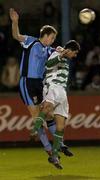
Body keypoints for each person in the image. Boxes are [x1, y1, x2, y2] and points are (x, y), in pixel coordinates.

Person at [9, 8, 72, 158]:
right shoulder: (30, 41)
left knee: (48, 115)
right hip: (27, 83)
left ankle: (60, 144)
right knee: (36, 116)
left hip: (40, 84)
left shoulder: (48, 49)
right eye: (51, 38)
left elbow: (59, 52)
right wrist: (15, 22)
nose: (52, 40)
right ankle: (48, 148)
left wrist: (63, 50)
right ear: (44, 35)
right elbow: (16, 35)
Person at [31, 40, 80, 169]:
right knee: (47, 108)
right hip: (53, 86)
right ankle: (35, 129)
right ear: (69, 50)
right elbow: (48, 64)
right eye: (74, 53)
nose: (75, 56)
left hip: (62, 91)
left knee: (60, 127)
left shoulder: (64, 58)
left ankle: (54, 154)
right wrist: (61, 54)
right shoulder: (58, 52)